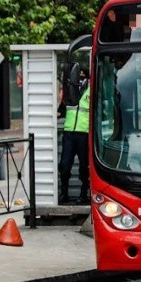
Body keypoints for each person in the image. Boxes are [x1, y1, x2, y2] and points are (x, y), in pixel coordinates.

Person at [59, 65, 90, 204]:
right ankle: (64, 193)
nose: (80, 80)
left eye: (83, 77)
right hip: (69, 133)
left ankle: (84, 194)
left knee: (85, 167)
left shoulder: (91, 90)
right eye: (79, 77)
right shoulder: (70, 90)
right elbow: (61, 109)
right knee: (64, 166)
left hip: (84, 133)